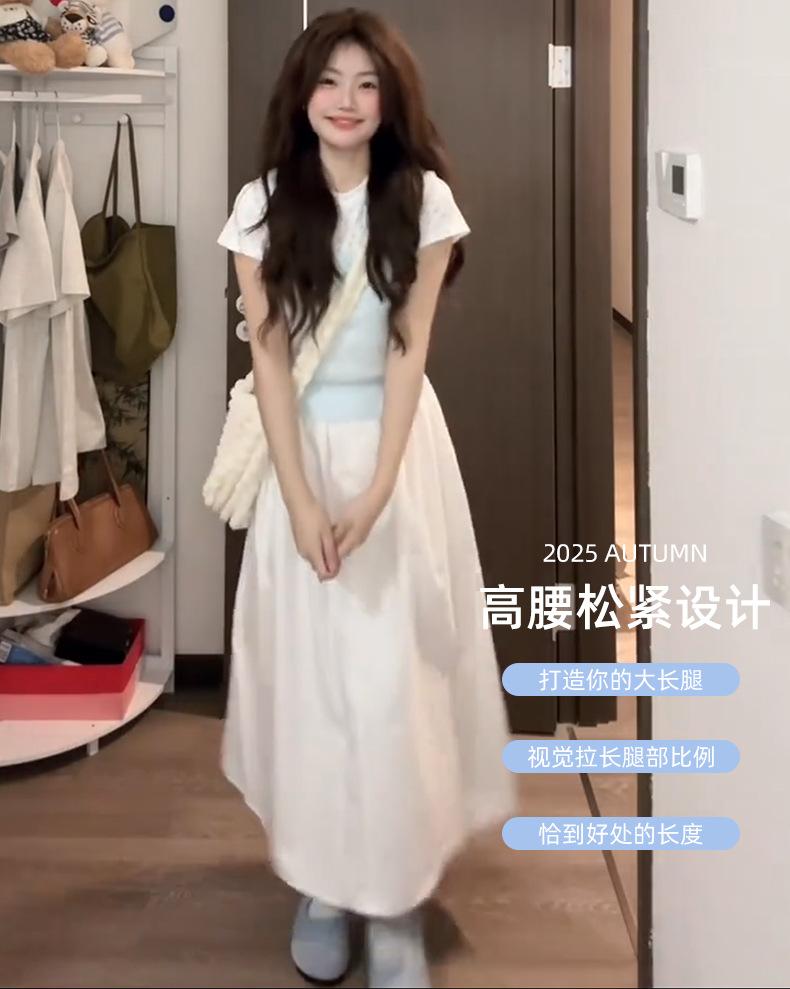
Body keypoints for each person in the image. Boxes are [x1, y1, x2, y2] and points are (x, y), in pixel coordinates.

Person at [216, 8, 516, 988]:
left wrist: (381, 486)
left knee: (395, 681)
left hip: (399, 455)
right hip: (299, 457)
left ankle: (391, 898)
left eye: (366, 84)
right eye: (329, 81)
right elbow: (267, 360)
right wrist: (302, 500)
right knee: (314, 681)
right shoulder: (261, 206)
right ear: (301, 95)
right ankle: (323, 881)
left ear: (390, 102)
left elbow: (407, 348)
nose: (345, 101)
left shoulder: (422, 201)